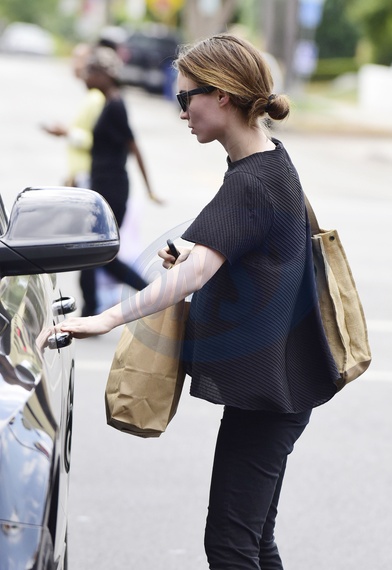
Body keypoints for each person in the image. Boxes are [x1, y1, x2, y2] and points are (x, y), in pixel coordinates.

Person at [57, 34, 339, 569]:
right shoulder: (270, 160)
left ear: (222, 96)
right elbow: (247, 249)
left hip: (273, 398)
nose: (182, 111)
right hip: (282, 388)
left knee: (230, 545)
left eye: (186, 97)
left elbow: (196, 273)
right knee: (253, 540)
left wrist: (106, 318)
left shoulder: (252, 179)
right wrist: (198, 254)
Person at [79, 46, 163, 317]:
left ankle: (152, 295)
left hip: (111, 190)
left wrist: (150, 189)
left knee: (93, 253)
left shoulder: (116, 105)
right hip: (102, 187)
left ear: (105, 75)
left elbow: (134, 146)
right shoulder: (108, 103)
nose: (85, 76)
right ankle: (152, 295)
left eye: (91, 71)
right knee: (99, 255)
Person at [42, 43, 105, 187]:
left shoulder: (96, 98)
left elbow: (96, 141)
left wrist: (67, 132)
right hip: (80, 176)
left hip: (88, 176)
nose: (74, 64)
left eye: (79, 59)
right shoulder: (90, 96)